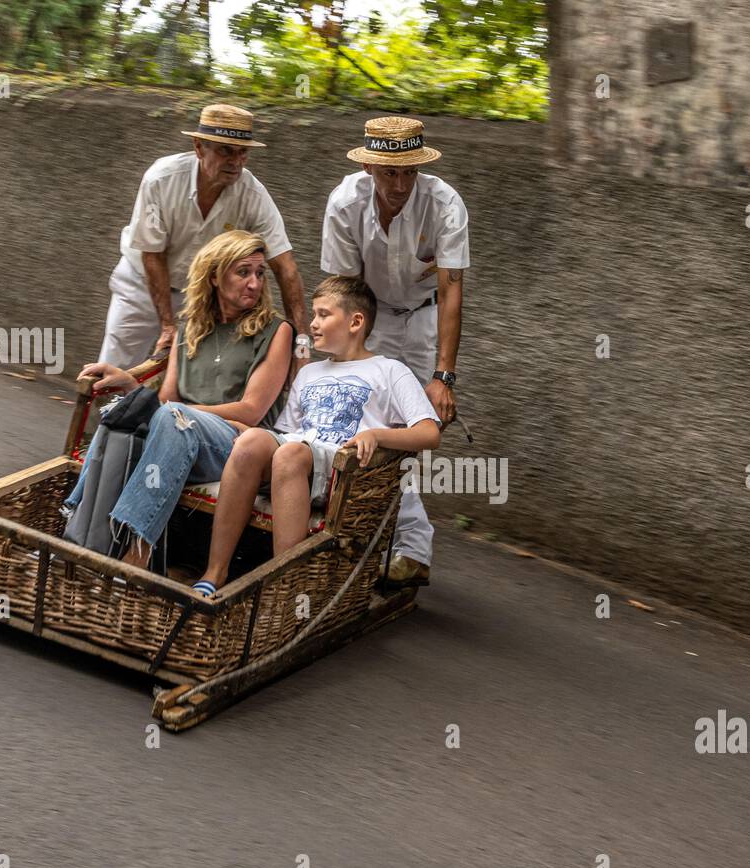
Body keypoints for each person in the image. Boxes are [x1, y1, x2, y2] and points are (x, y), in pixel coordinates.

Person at [191, 276, 441, 597]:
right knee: (254, 442)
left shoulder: (389, 371)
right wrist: (250, 433)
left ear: (356, 322)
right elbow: (286, 434)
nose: (313, 324)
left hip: (345, 475)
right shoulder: (309, 373)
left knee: (290, 453)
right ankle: (214, 573)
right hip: (296, 465)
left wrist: (378, 435)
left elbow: (429, 433)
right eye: (313, 314)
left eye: (323, 314)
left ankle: (286, 590)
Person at [68, 230, 293, 570]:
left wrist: (177, 413)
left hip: (237, 446)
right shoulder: (189, 329)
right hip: (176, 434)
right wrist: (132, 387)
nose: (255, 283)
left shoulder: (277, 331)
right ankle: (74, 528)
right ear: (215, 276)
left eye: (260, 273)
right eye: (243, 272)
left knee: (172, 417)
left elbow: (252, 409)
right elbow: (165, 398)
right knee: (121, 413)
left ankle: (136, 556)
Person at [320, 116, 469, 588]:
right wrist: (341, 357)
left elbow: (451, 291)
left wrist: (443, 377)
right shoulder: (344, 203)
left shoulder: (445, 204)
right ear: (367, 165)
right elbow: (345, 292)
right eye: (390, 173)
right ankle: (377, 538)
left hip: (424, 318)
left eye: (409, 172)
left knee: (405, 435)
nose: (401, 184)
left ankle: (408, 547)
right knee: (356, 423)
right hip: (369, 316)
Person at [97, 104, 311, 370]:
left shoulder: (253, 194)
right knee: (114, 370)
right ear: (199, 147)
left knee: (191, 380)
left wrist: (301, 342)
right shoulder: (160, 180)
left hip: (201, 295)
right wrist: (167, 324)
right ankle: (101, 410)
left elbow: (285, 267)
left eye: (242, 152)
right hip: (141, 284)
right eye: (225, 150)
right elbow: (152, 254)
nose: (235, 161)